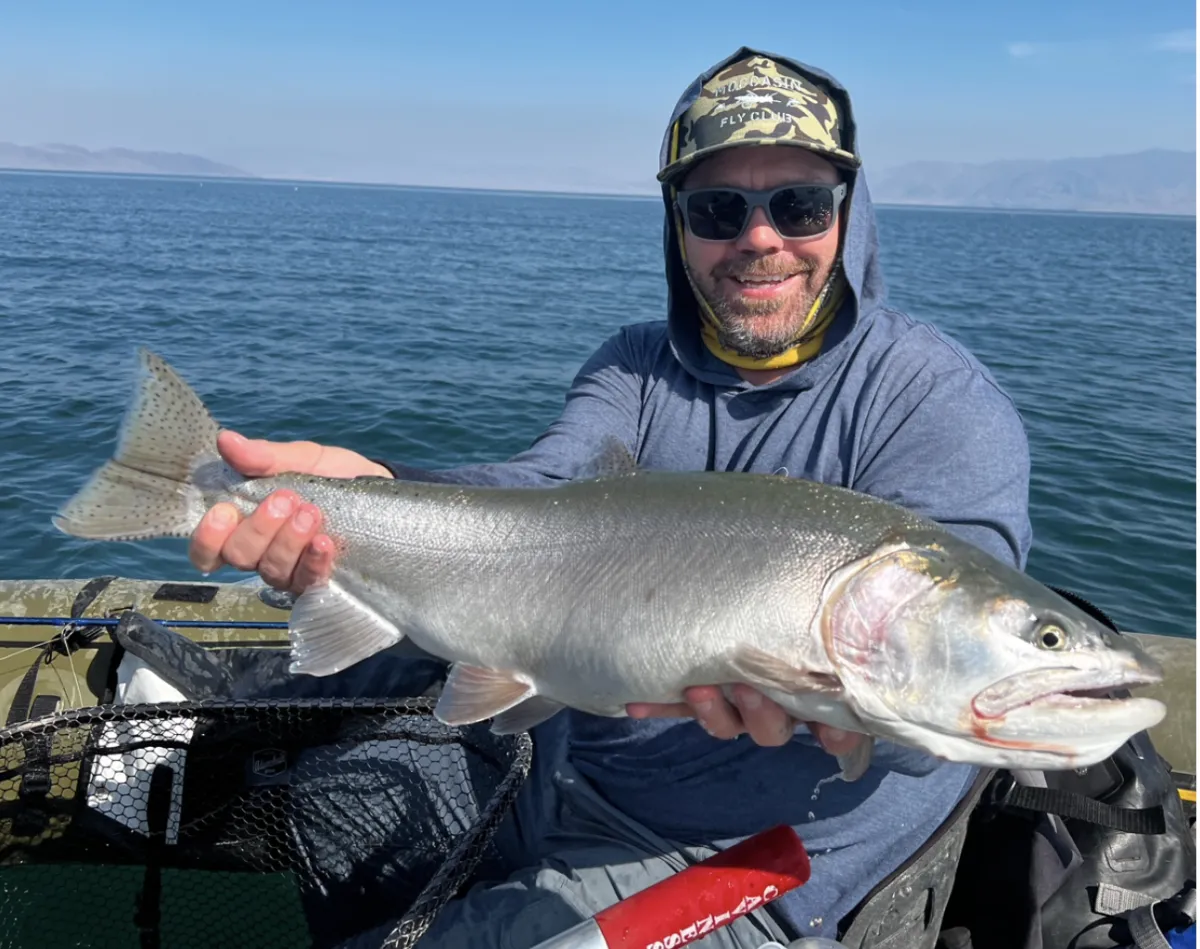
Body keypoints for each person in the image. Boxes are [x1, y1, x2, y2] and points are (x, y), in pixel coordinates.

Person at [188, 48, 1033, 948]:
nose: (758, 237)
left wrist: (828, 711)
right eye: (718, 209)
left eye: (798, 203)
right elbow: (540, 495)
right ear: (677, 225)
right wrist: (377, 495)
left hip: (753, 862)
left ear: (847, 214)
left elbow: (949, 690)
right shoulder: (632, 364)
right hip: (553, 762)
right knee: (307, 833)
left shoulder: (937, 402)